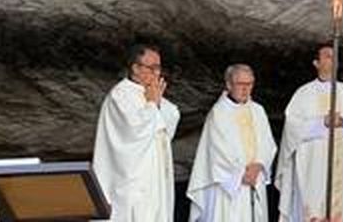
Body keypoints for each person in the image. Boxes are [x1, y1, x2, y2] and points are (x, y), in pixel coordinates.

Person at [276, 44, 343, 222]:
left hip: (341, 166)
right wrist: (322, 122)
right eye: (327, 56)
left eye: (335, 56)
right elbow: (292, 127)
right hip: (312, 165)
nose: (333, 59)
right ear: (316, 63)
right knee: (312, 208)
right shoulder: (304, 94)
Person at [93, 43, 181, 222]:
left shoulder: (151, 93)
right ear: (135, 68)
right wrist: (152, 104)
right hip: (133, 183)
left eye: (159, 67)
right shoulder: (120, 95)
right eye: (152, 67)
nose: (157, 73)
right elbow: (134, 132)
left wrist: (155, 102)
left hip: (155, 180)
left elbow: (172, 116)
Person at [186, 64, 277, 222]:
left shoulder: (258, 111)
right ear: (229, 85)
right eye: (240, 84)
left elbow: (268, 144)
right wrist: (241, 173)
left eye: (249, 84)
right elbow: (217, 151)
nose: (245, 89)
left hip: (254, 179)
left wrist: (259, 165)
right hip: (229, 185)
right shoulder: (219, 113)